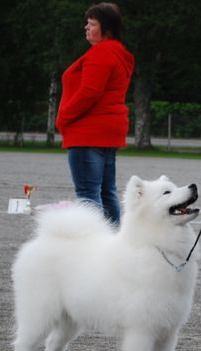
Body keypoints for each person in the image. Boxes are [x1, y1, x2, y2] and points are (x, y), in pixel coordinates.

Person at [56, 2, 135, 224]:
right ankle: (115, 245)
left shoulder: (101, 53)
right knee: (106, 191)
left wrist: (63, 118)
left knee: (88, 194)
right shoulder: (118, 53)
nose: (86, 28)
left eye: (92, 24)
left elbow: (89, 92)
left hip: (88, 132)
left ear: (106, 29)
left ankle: (94, 247)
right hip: (108, 132)